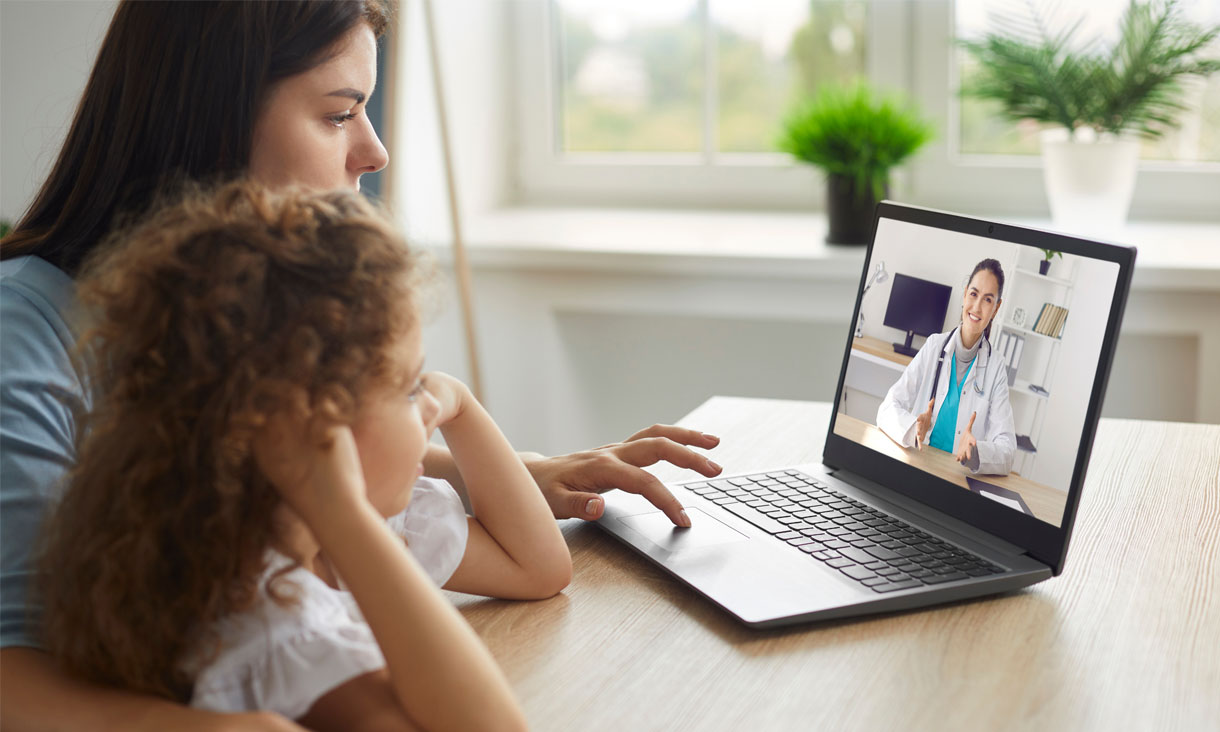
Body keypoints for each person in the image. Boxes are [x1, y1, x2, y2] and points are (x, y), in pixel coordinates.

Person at [0, 2, 720, 729]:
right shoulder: (21, 334)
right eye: (339, 114)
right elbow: (14, 669)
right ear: (212, 115)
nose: (375, 153)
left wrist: (492, 471)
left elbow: (266, 457)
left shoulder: (250, 358)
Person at [38, 181, 562, 730]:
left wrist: (462, 404)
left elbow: (539, 569)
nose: (432, 404)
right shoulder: (267, 622)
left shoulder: (366, 533)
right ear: (311, 428)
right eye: (410, 388)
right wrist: (346, 517)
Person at [876, 259, 1016, 476]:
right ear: (965, 295)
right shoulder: (934, 346)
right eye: (973, 294)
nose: (977, 306)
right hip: (917, 466)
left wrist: (976, 452)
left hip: (956, 477)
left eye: (988, 300)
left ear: (996, 309)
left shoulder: (996, 367)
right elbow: (886, 409)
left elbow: (1008, 451)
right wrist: (914, 428)